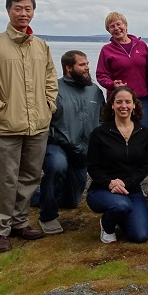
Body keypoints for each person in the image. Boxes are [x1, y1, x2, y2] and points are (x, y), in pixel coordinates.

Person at [0, 0, 58, 253]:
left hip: (37, 125)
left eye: (28, 9)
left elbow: (50, 80)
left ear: (34, 12)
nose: (23, 13)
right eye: (18, 8)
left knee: (30, 176)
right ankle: (1, 229)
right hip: (5, 125)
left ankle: (20, 222)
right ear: (8, 11)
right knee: (4, 179)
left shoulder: (41, 46)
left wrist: (48, 106)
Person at [35, 50, 103, 235]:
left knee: (71, 202)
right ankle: (47, 217)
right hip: (59, 146)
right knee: (57, 167)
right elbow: (43, 121)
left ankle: (35, 196)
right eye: (82, 65)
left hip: (83, 151)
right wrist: (61, 140)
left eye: (87, 63)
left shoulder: (95, 91)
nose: (87, 68)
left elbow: (103, 120)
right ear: (68, 68)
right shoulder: (53, 89)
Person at [86, 86, 148, 244]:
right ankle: (106, 225)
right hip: (102, 189)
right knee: (121, 205)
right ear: (112, 105)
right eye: (119, 102)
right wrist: (110, 184)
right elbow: (93, 166)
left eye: (128, 102)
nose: (124, 106)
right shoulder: (99, 133)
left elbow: (146, 164)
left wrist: (126, 183)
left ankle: (122, 217)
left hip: (132, 190)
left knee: (140, 236)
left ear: (134, 105)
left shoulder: (143, 132)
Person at [96, 11, 148, 129]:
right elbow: (101, 75)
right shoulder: (106, 50)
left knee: (141, 134)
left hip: (141, 100)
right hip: (119, 100)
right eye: (112, 26)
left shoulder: (141, 46)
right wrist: (112, 84)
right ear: (109, 31)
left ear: (126, 25)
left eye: (118, 24)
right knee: (119, 135)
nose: (116, 28)